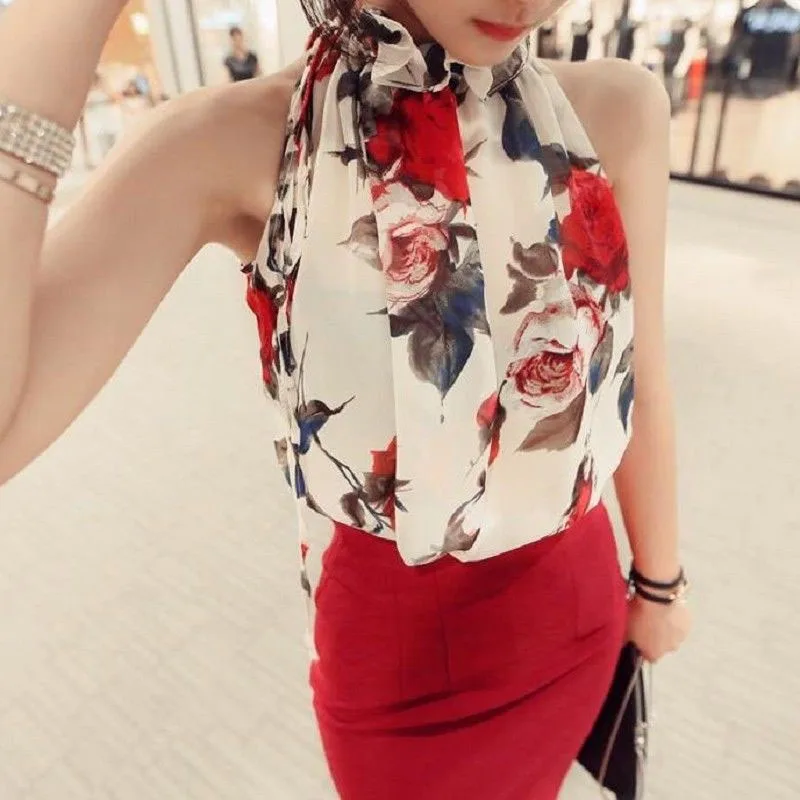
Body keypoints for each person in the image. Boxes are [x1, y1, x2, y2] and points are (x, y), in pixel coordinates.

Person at [0, 0, 691, 797]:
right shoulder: (232, 142)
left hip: (571, 609)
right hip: (397, 667)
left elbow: (645, 375)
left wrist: (660, 582)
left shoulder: (618, 110)